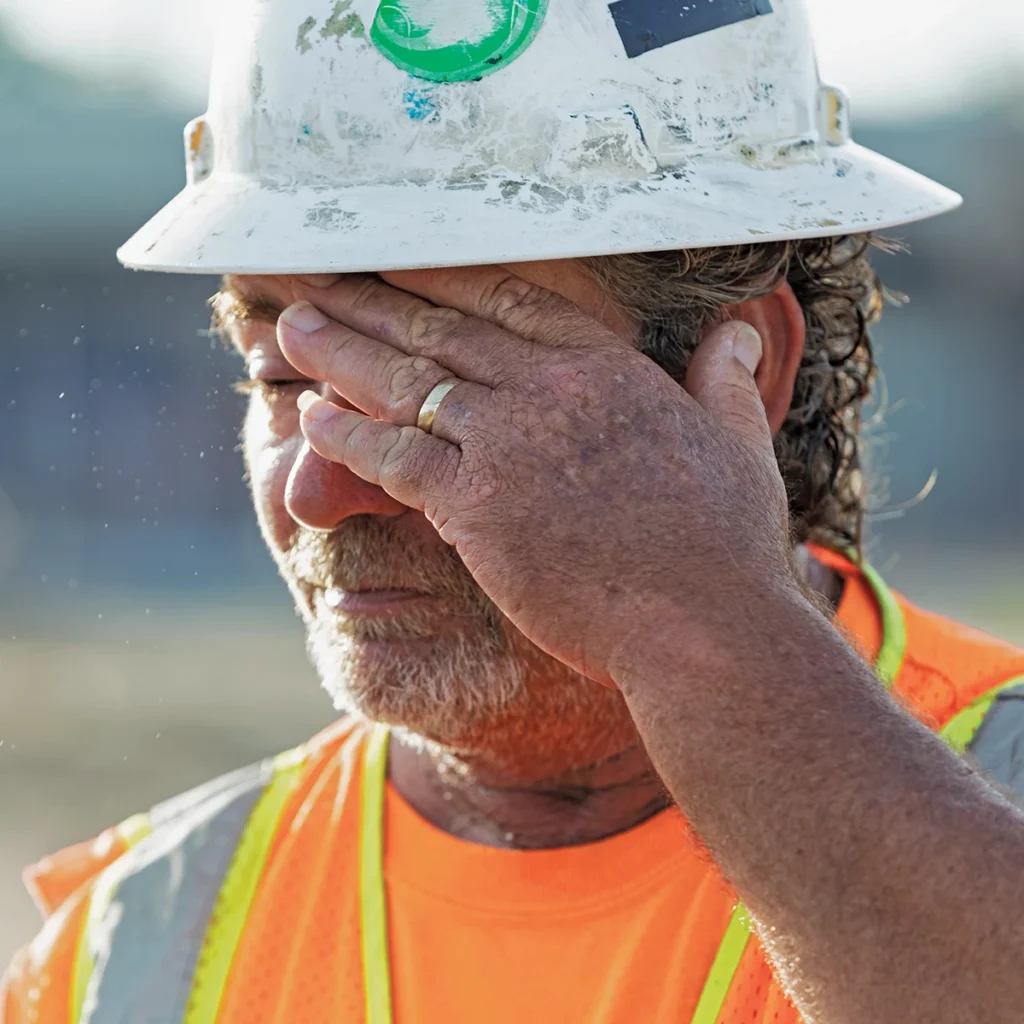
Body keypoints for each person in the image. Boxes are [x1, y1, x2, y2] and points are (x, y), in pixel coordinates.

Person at [5, 1, 1024, 1022]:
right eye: (283, 379)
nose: (321, 490)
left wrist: (695, 622)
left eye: (442, 386)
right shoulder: (125, 953)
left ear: (744, 372)